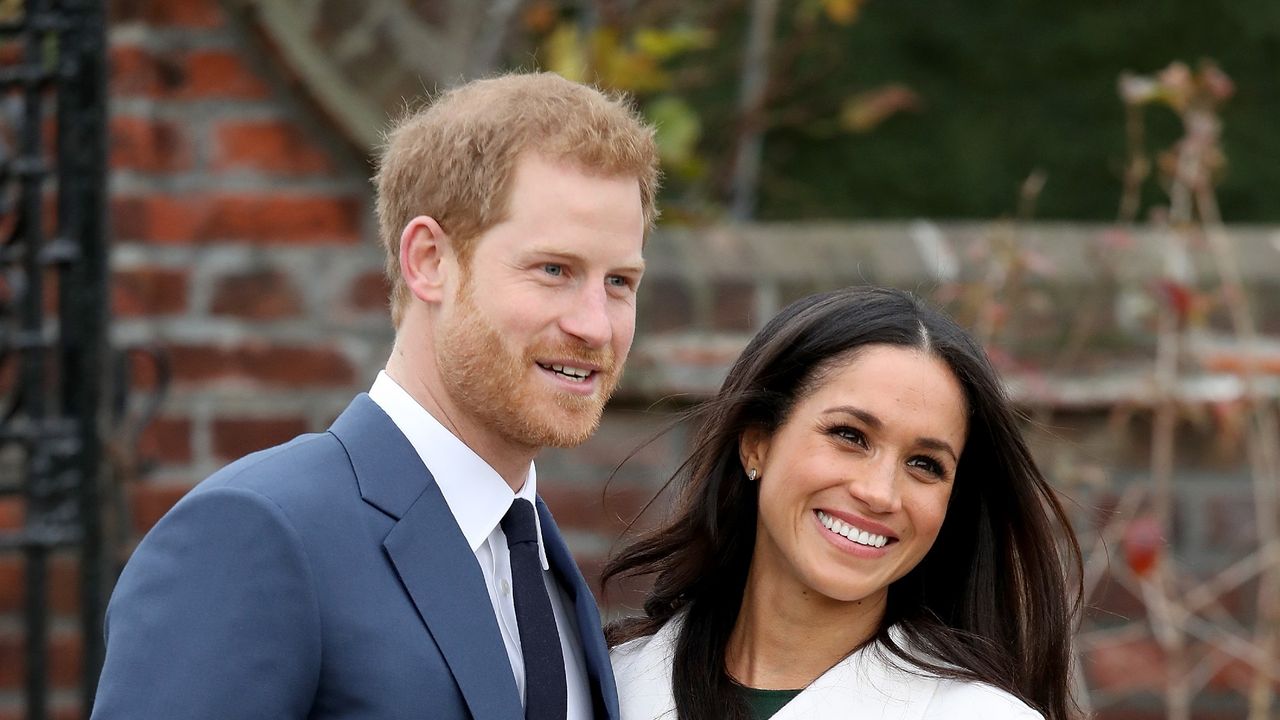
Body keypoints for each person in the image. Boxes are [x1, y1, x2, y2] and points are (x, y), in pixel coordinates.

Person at [93, 72, 659, 720]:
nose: (595, 323)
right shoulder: (258, 533)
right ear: (428, 260)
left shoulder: (544, 570)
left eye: (619, 281)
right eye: (554, 270)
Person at [605, 287, 1082, 720]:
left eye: (925, 464)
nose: (879, 492)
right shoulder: (604, 686)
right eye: (850, 436)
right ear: (756, 443)